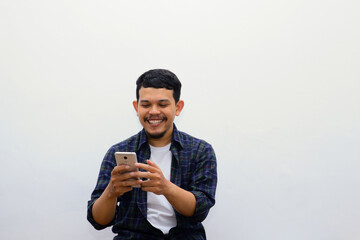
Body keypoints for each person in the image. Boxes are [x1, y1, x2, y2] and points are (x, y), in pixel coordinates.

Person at [87, 69, 217, 240]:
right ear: (136, 107)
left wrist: (165, 187)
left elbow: (200, 209)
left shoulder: (200, 151)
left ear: (178, 107)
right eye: (146, 105)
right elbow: (98, 221)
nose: (154, 112)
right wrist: (111, 191)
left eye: (163, 105)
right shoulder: (117, 152)